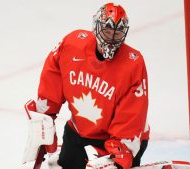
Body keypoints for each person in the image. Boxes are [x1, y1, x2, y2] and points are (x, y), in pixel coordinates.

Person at [23, 2, 149, 169]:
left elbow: (133, 113)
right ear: (96, 27)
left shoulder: (133, 63)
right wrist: (44, 120)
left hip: (120, 141)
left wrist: (120, 150)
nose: (111, 39)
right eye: (108, 31)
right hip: (77, 133)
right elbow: (52, 77)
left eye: (117, 34)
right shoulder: (72, 45)